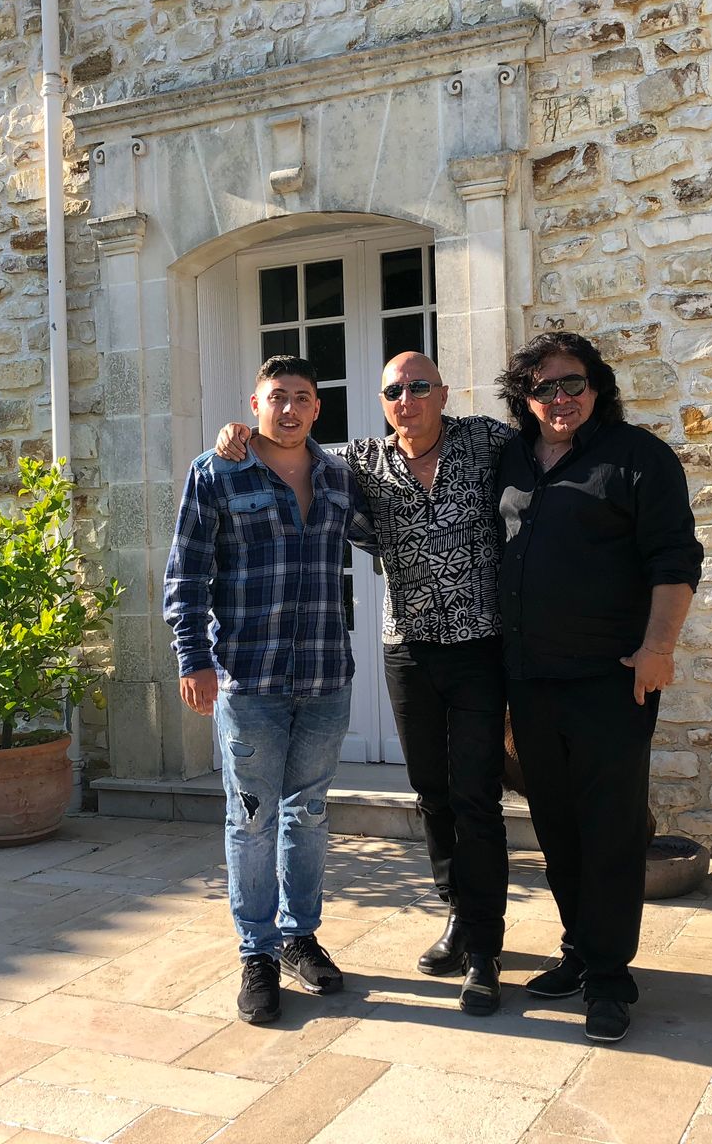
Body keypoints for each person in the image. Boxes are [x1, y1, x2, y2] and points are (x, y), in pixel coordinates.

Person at [215, 351, 516, 1015]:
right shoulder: (362, 462)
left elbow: (545, 466)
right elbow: (291, 453)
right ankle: (457, 914)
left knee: (476, 796)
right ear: (381, 403)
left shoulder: (486, 441)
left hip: (479, 644)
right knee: (431, 793)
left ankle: (485, 945)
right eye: (394, 391)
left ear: (443, 393)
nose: (407, 399)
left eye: (419, 387)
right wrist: (239, 436)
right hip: (407, 648)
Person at [495, 331, 702, 1044]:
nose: (560, 398)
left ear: (597, 387)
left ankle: (611, 978)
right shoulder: (511, 459)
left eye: (573, 383)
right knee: (557, 827)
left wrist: (658, 649)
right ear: (525, 398)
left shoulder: (639, 458)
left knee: (610, 829)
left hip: (611, 681)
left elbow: (675, 559)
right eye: (543, 387)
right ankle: (580, 952)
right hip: (529, 681)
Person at [164, 355, 376, 1026]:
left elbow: (387, 535)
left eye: (302, 398)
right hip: (249, 677)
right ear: (254, 404)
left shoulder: (339, 477)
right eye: (277, 397)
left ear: (318, 408)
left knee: (307, 813)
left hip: (324, 675)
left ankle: (298, 937)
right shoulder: (216, 472)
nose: (289, 408)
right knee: (251, 818)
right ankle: (256, 952)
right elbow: (186, 575)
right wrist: (193, 660)